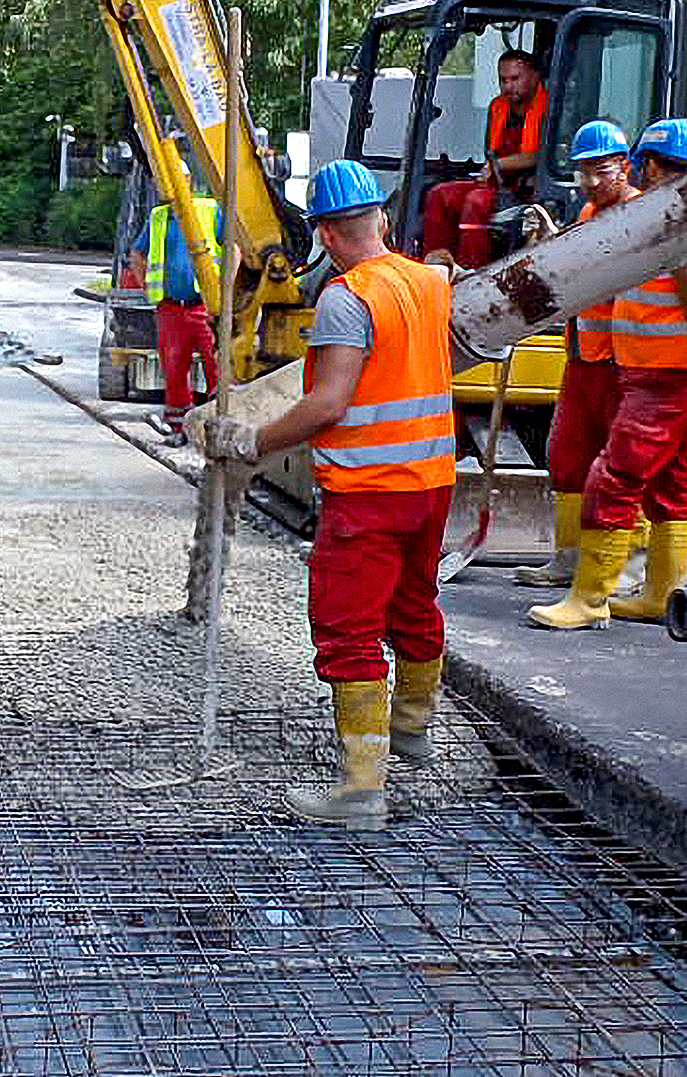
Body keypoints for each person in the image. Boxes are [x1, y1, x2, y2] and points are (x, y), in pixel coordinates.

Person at [197, 159, 456, 830]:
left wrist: (252, 440)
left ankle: (361, 788)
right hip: (429, 485)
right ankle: (412, 729)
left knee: (348, 627)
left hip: (368, 491)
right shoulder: (429, 281)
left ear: (326, 236)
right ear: (381, 220)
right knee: (415, 602)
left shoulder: (348, 297)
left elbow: (327, 403)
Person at [530, 120, 687, 630]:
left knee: (614, 476)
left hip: (666, 374)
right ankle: (660, 594)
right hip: (658, 371)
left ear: (648, 164)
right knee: (671, 483)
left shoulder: (682, 216)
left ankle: (588, 599)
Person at [518, 122, 642, 590]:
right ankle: (569, 557)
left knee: (622, 465)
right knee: (568, 460)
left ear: (624, 167)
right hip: (585, 356)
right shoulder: (591, 212)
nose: (591, 181)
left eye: (601, 170)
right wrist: (552, 241)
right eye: (584, 172)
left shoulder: (637, 215)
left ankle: (630, 563)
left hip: (622, 361)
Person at [416, 47, 549, 269]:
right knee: (439, 195)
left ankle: (471, 273)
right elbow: (491, 151)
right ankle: (435, 269)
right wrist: (491, 169)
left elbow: (538, 157)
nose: (508, 86)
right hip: (498, 184)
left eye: (515, 78)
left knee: (476, 203)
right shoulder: (498, 107)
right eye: (503, 80)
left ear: (535, 76)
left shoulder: (550, 108)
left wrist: (497, 165)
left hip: (530, 190)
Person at [126, 191, 228, 444]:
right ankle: (179, 430)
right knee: (174, 369)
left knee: (219, 366)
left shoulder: (209, 210)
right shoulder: (159, 217)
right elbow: (137, 254)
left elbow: (234, 249)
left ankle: (220, 426)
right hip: (171, 308)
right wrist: (147, 288)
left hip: (205, 305)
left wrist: (228, 289)